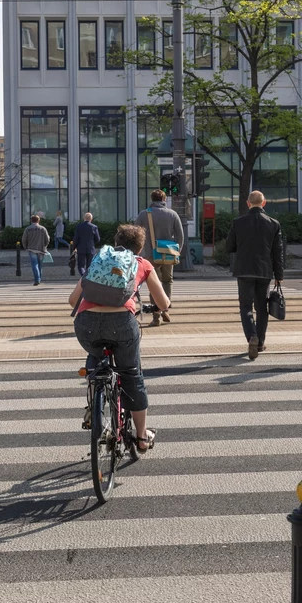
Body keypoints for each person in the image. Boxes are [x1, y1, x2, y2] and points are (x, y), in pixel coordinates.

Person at [69, 224, 170, 454]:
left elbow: (72, 299)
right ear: (141, 247)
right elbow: (163, 304)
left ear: (116, 241)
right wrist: (161, 306)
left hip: (86, 325)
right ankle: (142, 438)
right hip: (122, 325)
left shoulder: (100, 259)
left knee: (96, 356)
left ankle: (95, 399)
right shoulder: (142, 263)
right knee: (132, 375)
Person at [225, 190, 284, 360]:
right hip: (264, 271)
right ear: (264, 203)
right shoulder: (274, 224)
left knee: (245, 307)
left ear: (248, 203)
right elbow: (277, 252)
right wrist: (279, 274)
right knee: (261, 308)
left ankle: (252, 337)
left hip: (244, 270)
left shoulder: (238, 223)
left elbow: (229, 247)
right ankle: (260, 343)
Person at [134, 189, 184, 327]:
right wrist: (177, 251)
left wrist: (140, 251)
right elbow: (180, 235)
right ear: (164, 199)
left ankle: (156, 316)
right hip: (169, 254)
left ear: (152, 199)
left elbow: (136, 233)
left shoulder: (144, 214)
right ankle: (165, 308)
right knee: (168, 281)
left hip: (150, 255)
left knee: (153, 284)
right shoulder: (173, 214)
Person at [21, 214, 50, 286]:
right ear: (38, 220)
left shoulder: (28, 229)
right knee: (40, 265)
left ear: (31, 221)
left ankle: (37, 279)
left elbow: (24, 239)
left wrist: (26, 247)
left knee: (34, 264)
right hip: (41, 249)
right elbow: (47, 239)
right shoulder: (43, 229)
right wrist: (45, 246)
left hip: (31, 249)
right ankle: (39, 278)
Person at [72, 212, 101, 277]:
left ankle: (83, 276)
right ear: (91, 219)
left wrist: (74, 247)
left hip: (81, 248)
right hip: (90, 248)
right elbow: (98, 239)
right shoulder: (94, 227)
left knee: (81, 265)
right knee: (89, 265)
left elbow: (76, 238)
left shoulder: (79, 226)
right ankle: (87, 277)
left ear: (84, 218)